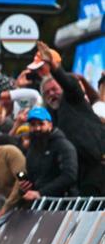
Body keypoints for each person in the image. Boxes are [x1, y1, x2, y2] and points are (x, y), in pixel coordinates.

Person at [29, 42, 105, 196]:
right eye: (47, 92)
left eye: (55, 89)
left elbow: (70, 84)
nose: (51, 94)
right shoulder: (48, 114)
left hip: (96, 163)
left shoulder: (73, 99)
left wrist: (55, 68)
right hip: (75, 171)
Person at [19, 107, 78, 201]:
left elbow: (69, 176)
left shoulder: (63, 145)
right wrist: (25, 185)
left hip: (63, 202)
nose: (37, 128)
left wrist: (41, 193)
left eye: (41, 124)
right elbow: (33, 175)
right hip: (40, 203)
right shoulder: (32, 149)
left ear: (50, 125)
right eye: (33, 124)